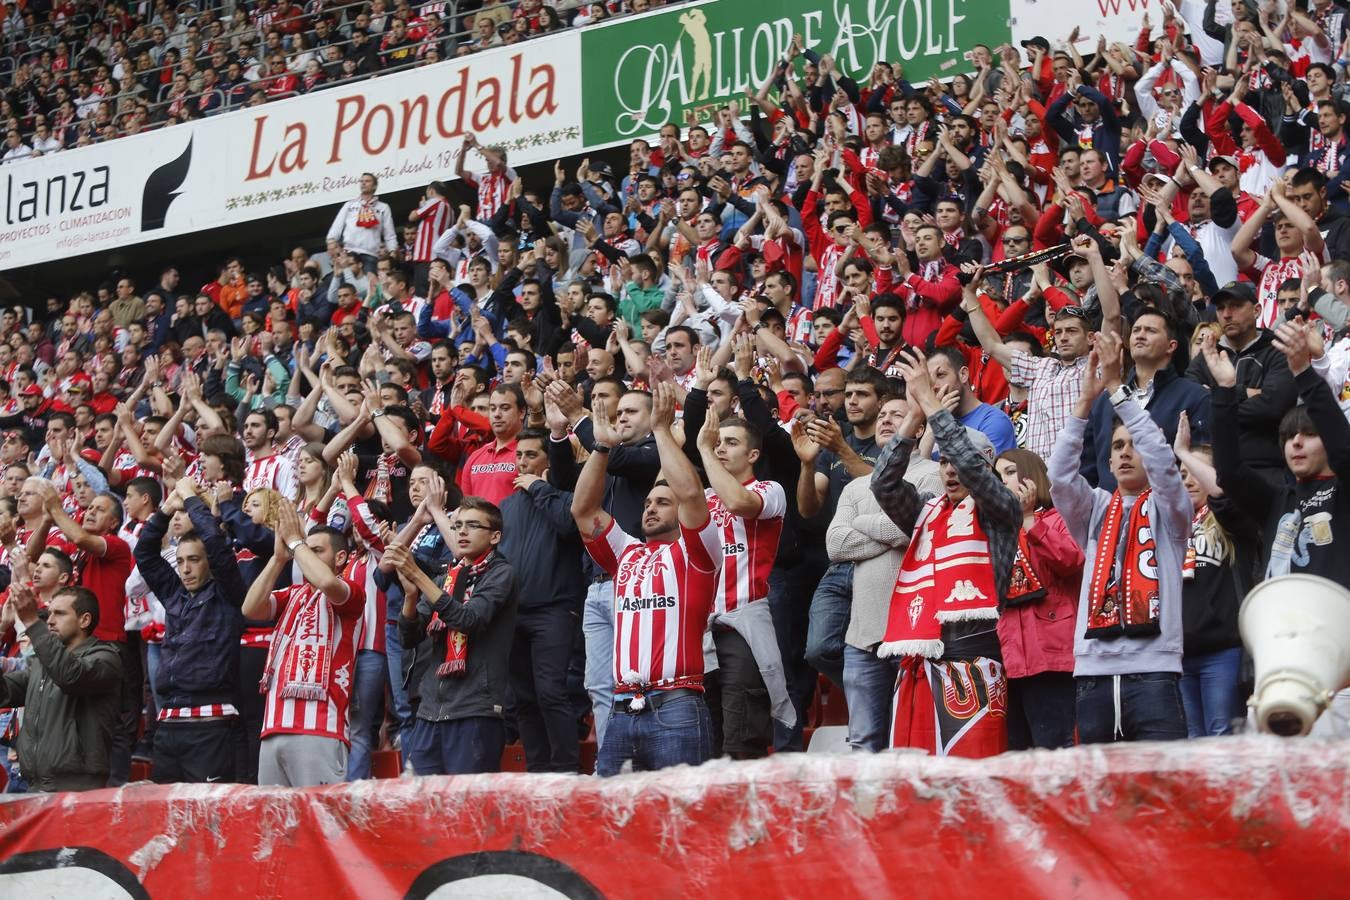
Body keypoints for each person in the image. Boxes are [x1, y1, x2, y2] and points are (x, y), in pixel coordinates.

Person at [871, 349, 1023, 758]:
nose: (951, 471)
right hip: (920, 665)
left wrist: (934, 402)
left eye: (960, 463)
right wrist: (914, 418)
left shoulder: (1001, 510)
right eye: (944, 464)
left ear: (985, 469)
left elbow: (972, 469)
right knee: (916, 790)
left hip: (973, 667)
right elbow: (883, 485)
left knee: (972, 788)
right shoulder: (926, 511)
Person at [1049, 332, 1191, 744]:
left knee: (1162, 797)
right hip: (1092, 676)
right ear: (1108, 461)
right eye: (1117, 446)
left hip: (1155, 673)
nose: (1126, 453)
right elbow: (1058, 478)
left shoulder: (1171, 511)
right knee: (1100, 803)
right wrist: (1083, 405)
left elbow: (1165, 464)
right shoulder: (1093, 508)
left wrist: (1116, 389)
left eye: (1134, 445)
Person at [573, 383, 719, 775]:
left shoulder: (698, 553)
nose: (650, 507)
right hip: (622, 709)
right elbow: (583, 511)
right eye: (649, 501)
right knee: (615, 826)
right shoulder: (628, 552)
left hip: (678, 704)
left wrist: (660, 430)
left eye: (662, 502)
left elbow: (689, 492)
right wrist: (601, 449)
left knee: (681, 822)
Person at [828, 394, 940, 752]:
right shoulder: (853, 486)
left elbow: (915, 530)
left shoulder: (935, 475)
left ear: (918, 427)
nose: (886, 420)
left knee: (915, 746)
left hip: (917, 634)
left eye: (898, 414)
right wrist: (892, 529)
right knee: (864, 744)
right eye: (883, 415)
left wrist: (863, 522)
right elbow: (836, 546)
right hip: (862, 636)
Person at [388, 496, 518, 775]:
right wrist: (411, 597)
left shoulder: (502, 574)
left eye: (472, 525)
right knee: (424, 809)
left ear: (495, 536)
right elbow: (409, 638)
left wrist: (418, 576)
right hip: (429, 711)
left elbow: (468, 619)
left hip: (475, 711)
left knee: (468, 811)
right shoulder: (445, 578)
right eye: (457, 525)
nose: (461, 531)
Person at [242, 504, 366, 787]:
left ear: (341, 558)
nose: (306, 556)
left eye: (317, 550)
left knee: (321, 826)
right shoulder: (293, 594)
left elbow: (325, 581)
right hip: (272, 728)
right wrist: (277, 559)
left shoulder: (351, 593)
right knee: (275, 829)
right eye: (306, 550)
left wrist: (297, 542)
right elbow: (250, 608)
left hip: (320, 731)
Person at [132, 478, 247, 783]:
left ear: (211, 561)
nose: (185, 568)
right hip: (168, 725)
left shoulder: (228, 593)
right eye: (180, 561)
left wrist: (189, 498)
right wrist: (165, 511)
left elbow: (213, 540)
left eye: (194, 560)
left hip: (212, 725)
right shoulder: (173, 594)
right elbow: (145, 554)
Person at [498, 429, 583, 773]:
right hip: (514, 613)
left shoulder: (565, 494)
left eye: (531, 455)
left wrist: (538, 487)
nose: (522, 462)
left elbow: (567, 525)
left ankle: (565, 768)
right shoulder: (506, 506)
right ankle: (538, 770)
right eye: (519, 455)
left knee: (550, 691)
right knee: (523, 699)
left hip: (556, 609)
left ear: (549, 459)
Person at [992, 449, 1082, 750]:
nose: (1000, 480)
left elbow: (1070, 561)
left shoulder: (1058, 518)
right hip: (1012, 661)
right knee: (1020, 755)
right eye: (996, 475)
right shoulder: (1000, 530)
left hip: (1053, 656)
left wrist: (1031, 520)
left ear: (1032, 475)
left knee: (1055, 752)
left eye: (1008, 472)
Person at [0, 583, 122, 792]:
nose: (49, 620)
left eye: (59, 614)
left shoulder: (106, 658)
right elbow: (4, 693)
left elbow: (70, 675)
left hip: (77, 791)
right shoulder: (42, 664)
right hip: (35, 786)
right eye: (48, 613)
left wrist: (31, 620)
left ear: (84, 620)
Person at [326, 172, 398, 271]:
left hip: (370, 254)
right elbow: (337, 226)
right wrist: (331, 241)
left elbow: (389, 234)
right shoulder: (350, 205)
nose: (363, 183)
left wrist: (392, 251)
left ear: (375, 186)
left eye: (367, 181)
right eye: (362, 181)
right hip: (349, 253)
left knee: (369, 285)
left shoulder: (383, 207)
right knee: (348, 285)